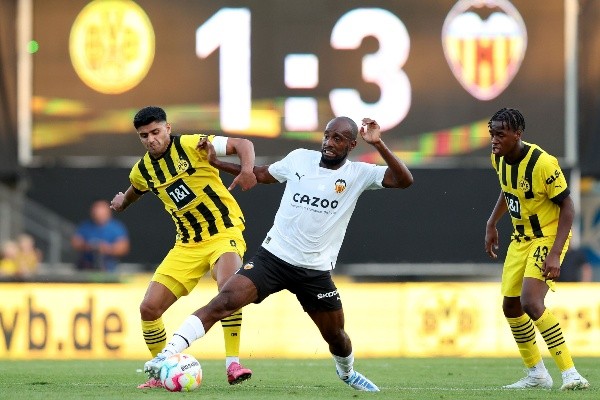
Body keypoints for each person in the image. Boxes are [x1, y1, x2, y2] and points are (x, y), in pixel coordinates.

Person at [142, 116, 414, 392]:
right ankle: (166, 355)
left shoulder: (359, 173)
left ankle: (348, 372)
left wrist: (378, 143)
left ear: (352, 144)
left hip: (314, 272)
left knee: (336, 336)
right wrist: (217, 163)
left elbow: (404, 180)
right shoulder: (299, 159)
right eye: (327, 136)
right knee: (222, 302)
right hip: (273, 259)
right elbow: (259, 173)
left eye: (338, 139)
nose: (329, 143)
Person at [110, 106, 257, 389]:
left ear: (168, 127)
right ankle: (160, 372)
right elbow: (135, 190)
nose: (151, 139)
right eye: (144, 136)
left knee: (229, 287)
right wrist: (121, 203)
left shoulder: (192, 144)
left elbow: (243, 144)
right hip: (187, 244)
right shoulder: (143, 170)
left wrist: (248, 170)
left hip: (223, 229)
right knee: (149, 308)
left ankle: (233, 363)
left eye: (155, 131)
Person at [484, 108, 590, 390]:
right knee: (511, 306)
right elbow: (508, 191)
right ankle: (537, 374)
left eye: (500, 134)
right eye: (492, 133)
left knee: (531, 302)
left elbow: (568, 206)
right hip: (520, 239)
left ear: (517, 134)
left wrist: (555, 252)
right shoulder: (498, 158)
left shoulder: (543, 163)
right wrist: (492, 222)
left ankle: (571, 373)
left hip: (547, 237)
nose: (494, 140)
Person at [71, 199, 130, 272]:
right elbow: (76, 242)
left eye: (102, 213)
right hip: (86, 266)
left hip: (108, 266)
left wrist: (107, 249)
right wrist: (88, 246)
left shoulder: (116, 227)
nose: (98, 215)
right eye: (96, 212)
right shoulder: (85, 226)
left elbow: (124, 247)